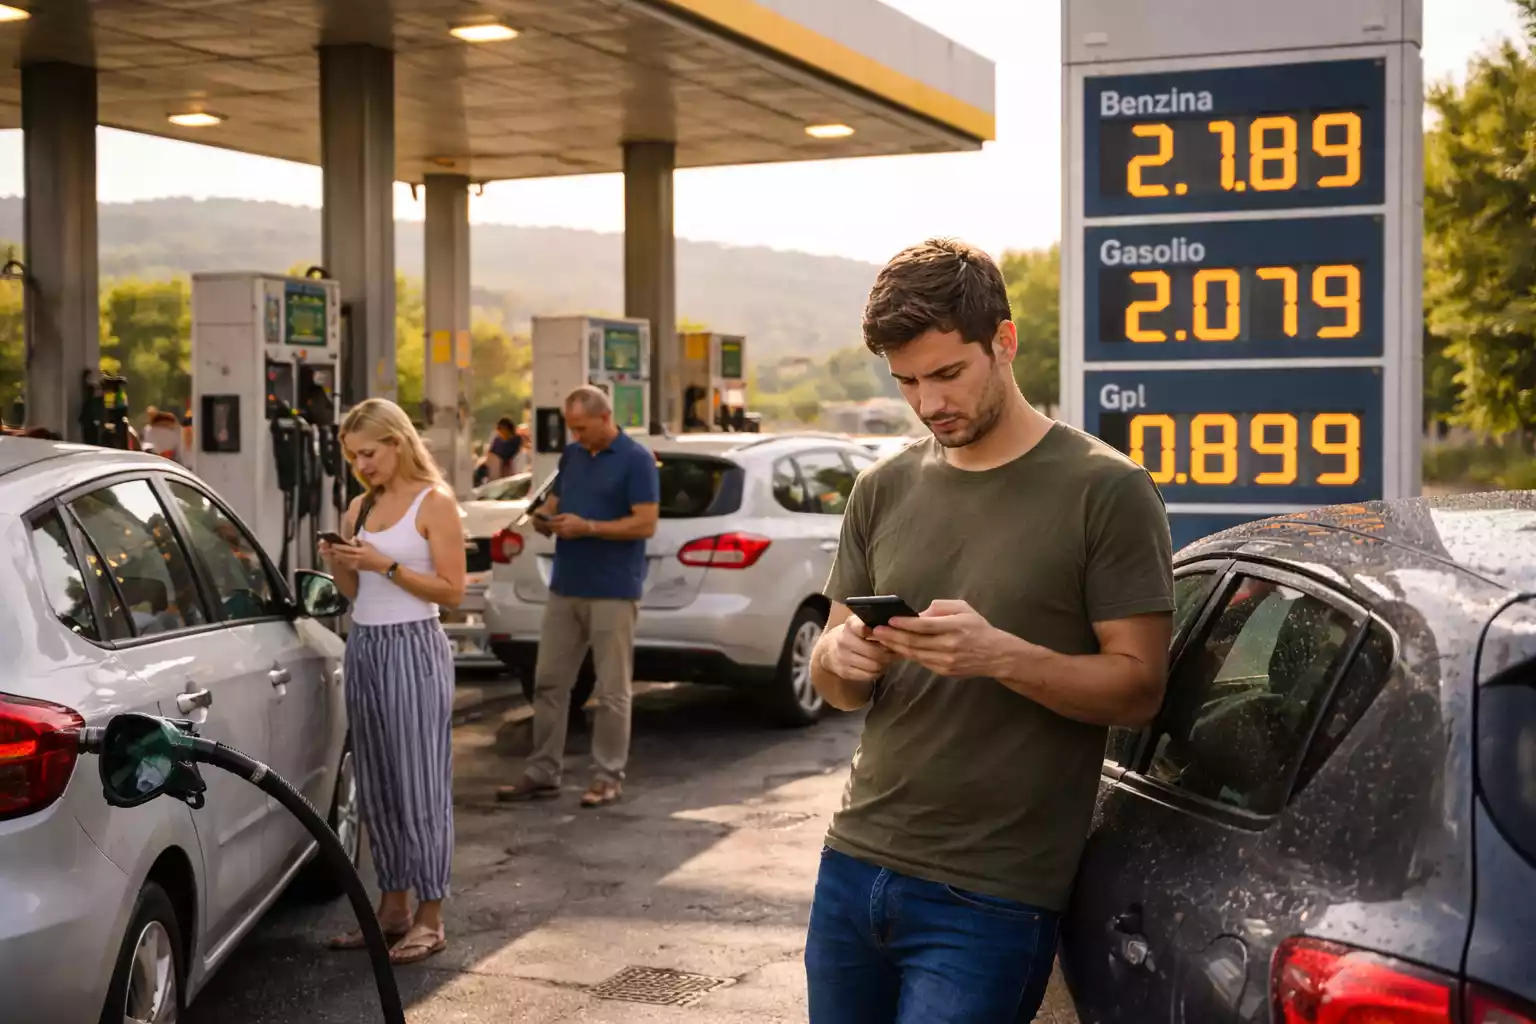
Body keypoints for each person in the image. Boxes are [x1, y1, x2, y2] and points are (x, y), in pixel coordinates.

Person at [804, 238, 1175, 1022]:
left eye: (948, 374)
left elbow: (1139, 688)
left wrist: (1001, 655)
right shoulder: (882, 488)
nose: (929, 402)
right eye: (906, 381)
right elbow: (832, 685)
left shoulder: (1107, 489)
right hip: (853, 862)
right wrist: (840, 655)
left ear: (1003, 342)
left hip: (991, 893)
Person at [318, 397, 467, 966]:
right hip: (367, 643)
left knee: (420, 782)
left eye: (370, 453)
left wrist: (386, 565)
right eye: (354, 456)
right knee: (378, 782)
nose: (362, 465)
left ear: (399, 443)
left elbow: (453, 591)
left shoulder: (436, 502)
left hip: (414, 644)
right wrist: (341, 563)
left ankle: (431, 916)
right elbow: (357, 595)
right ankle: (393, 909)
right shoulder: (360, 504)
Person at [494, 385, 659, 809]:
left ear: (605, 419)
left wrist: (588, 527)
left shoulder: (636, 460)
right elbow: (554, 501)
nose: (576, 436)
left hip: (613, 589)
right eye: (571, 428)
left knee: (612, 689)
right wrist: (546, 520)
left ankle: (608, 776)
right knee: (549, 682)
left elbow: (644, 524)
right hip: (566, 586)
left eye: (582, 428)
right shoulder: (571, 457)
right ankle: (542, 770)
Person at [483, 416, 523, 480]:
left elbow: (507, 454)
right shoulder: (497, 440)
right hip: (497, 472)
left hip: (513, 471)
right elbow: (491, 452)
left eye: (501, 430)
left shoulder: (516, 441)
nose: (500, 434)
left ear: (506, 429)